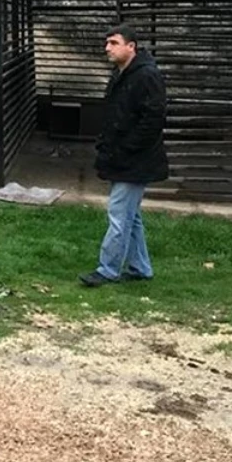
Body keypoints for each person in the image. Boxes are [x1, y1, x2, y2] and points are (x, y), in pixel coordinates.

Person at [79, 23, 169, 287]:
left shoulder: (147, 76)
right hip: (122, 157)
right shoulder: (121, 74)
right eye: (107, 43)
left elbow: (153, 119)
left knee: (119, 212)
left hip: (137, 159)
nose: (107, 48)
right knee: (131, 215)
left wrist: (128, 147)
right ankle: (140, 267)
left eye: (114, 43)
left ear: (132, 46)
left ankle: (107, 269)